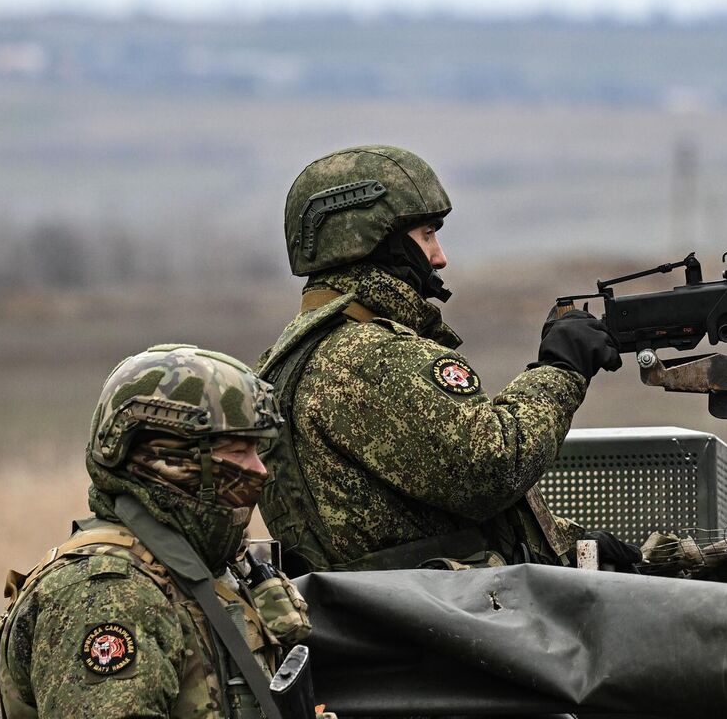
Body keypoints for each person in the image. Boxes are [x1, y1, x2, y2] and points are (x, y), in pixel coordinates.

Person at [258, 144, 626, 575]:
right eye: (427, 235)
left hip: (403, 615)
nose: (439, 256)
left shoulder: (299, 353)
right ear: (375, 242)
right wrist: (562, 369)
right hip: (440, 626)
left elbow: (415, 517)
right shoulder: (371, 357)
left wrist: (570, 545)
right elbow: (493, 467)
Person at [0, 345, 322, 719]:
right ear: (168, 458)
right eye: (238, 450)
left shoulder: (210, 565)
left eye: (257, 450)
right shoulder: (108, 595)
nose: (258, 469)